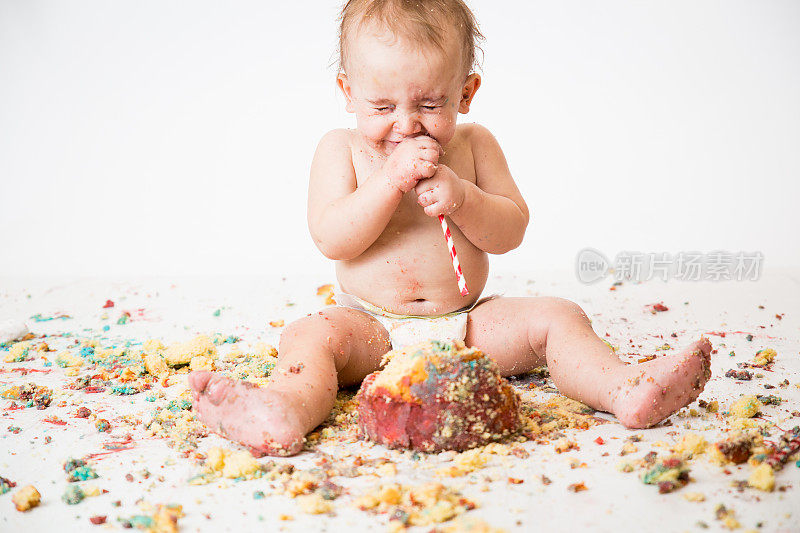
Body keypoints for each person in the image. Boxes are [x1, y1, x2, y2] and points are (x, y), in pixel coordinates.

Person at [190, 0, 711, 456]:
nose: (406, 123)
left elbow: (509, 232)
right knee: (308, 336)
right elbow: (332, 236)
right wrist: (389, 182)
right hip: (371, 327)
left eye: (429, 104)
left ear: (465, 92)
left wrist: (464, 198)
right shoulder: (340, 149)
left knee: (559, 316)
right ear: (348, 92)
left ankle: (625, 389)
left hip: (467, 327)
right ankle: (281, 411)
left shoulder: (476, 145)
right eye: (382, 106)